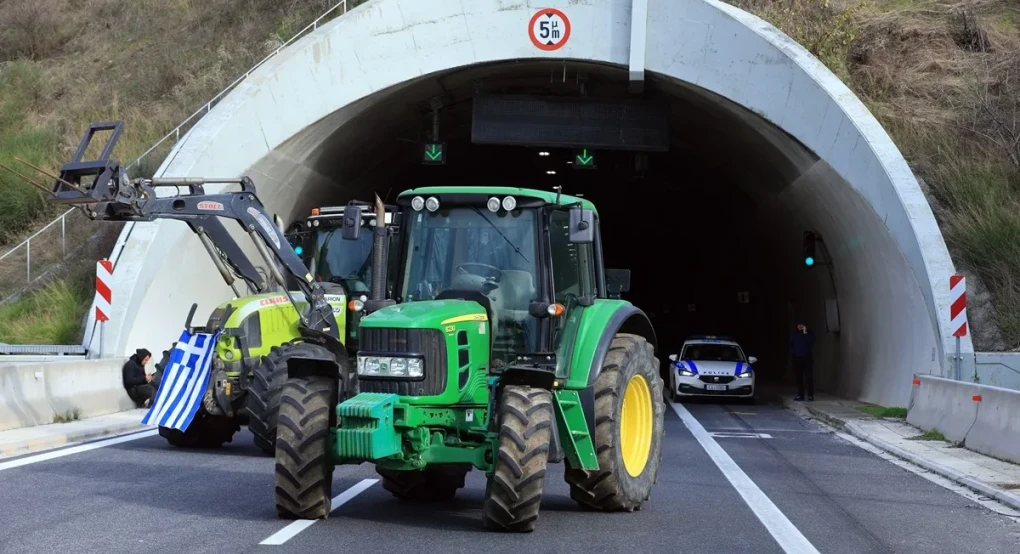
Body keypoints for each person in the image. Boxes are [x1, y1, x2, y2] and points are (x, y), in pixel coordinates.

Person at [790, 319, 816, 401]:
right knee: (798, 378)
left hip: (807, 359)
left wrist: (805, 333)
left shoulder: (809, 333)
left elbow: (811, 341)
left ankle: (810, 395)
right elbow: (791, 345)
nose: (800, 326)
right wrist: (793, 356)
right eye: (798, 325)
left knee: (809, 377)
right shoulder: (794, 334)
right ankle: (800, 395)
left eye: (801, 325)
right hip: (797, 360)